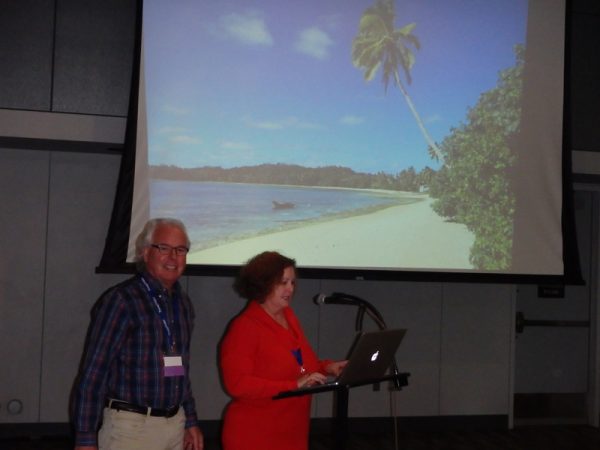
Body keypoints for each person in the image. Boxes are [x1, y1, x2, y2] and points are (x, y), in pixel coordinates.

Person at [71, 218, 203, 450]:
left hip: (175, 424)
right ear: (145, 252)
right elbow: (93, 374)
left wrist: (190, 419)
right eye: (163, 248)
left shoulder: (182, 303)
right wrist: (85, 438)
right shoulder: (121, 301)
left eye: (180, 250)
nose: (173, 257)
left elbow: (180, 369)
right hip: (131, 429)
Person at [219, 251, 347, 450]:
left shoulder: (289, 316)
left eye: (293, 283)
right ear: (263, 283)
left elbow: (302, 366)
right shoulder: (245, 326)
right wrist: (294, 385)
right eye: (283, 282)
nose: (290, 289)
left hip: (292, 431)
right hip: (255, 435)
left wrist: (328, 367)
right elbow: (237, 384)